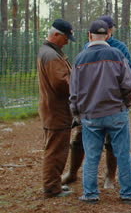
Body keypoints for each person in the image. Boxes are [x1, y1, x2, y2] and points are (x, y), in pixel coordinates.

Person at [69, 20, 131, 203]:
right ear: (107, 35)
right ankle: (128, 193)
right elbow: (128, 85)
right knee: (123, 154)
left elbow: (74, 92)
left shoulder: (80, 58)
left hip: (90, 115)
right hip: (116, 112)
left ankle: (90, 194)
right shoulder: (117, 54)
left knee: (91, 156)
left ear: (89, 35)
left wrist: (77, 113)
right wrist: (125, 105)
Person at [37, 18, 76, 198]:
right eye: (66, 37)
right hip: (57, 110)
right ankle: (52, 188)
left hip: (52, 109)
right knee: (56, 150)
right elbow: (62, 83)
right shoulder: (52, 56)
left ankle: (54, 182)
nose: (67, 40)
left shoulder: (49, 52)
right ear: (56, 35)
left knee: (55, 147)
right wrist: (79, 85)